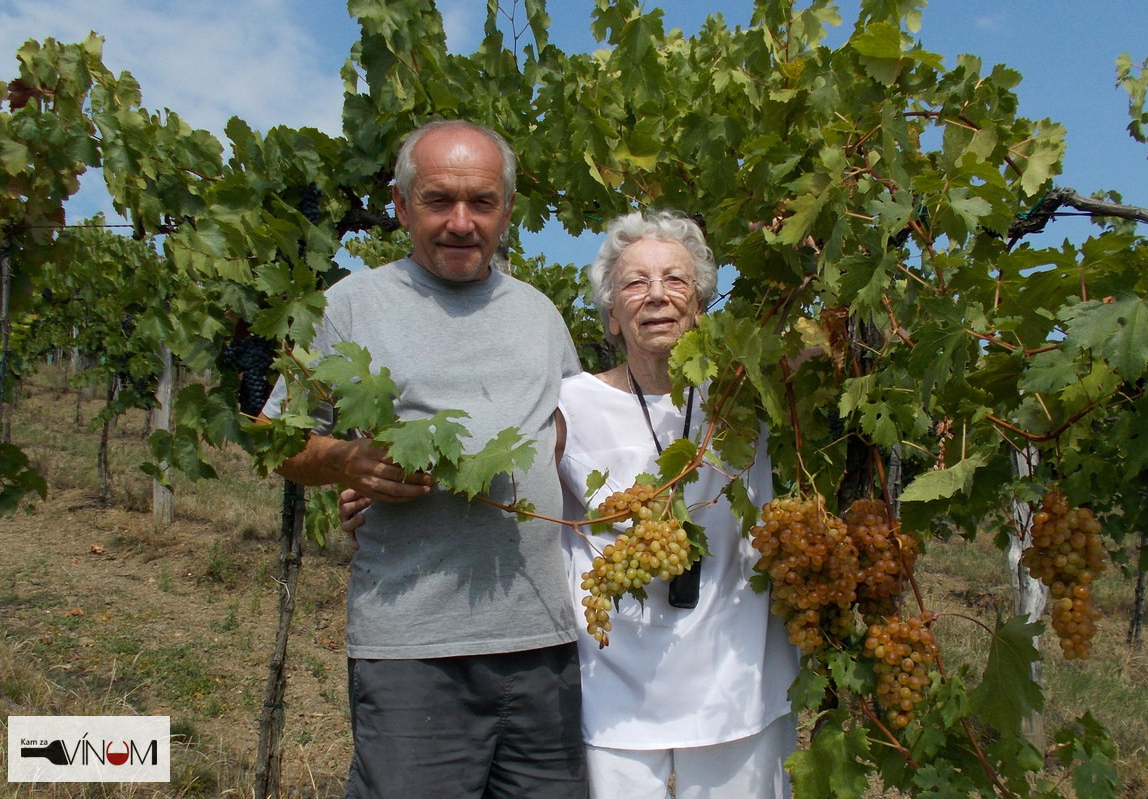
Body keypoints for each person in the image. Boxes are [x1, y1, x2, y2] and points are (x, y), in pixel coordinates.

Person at [343, 209, 798, 799]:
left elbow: (838, 366)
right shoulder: (568, 405)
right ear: (611, 314)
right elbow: (491, 474)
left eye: (676, 281)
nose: (657, 296)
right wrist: (371, 489)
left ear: (702, 303)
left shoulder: (752, 396)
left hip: (738, 687)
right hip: (611, 692)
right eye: (635, 283)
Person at [262, 119, 588, 798]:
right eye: (440, 201)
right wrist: (346, 463)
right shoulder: (348, 307)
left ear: (507, 209)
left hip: (547, 647)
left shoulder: (541, 315)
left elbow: (569, 443)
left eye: (482, 202)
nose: (462, 222)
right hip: (415, 652)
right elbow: (281, 439)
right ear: (402, 205)